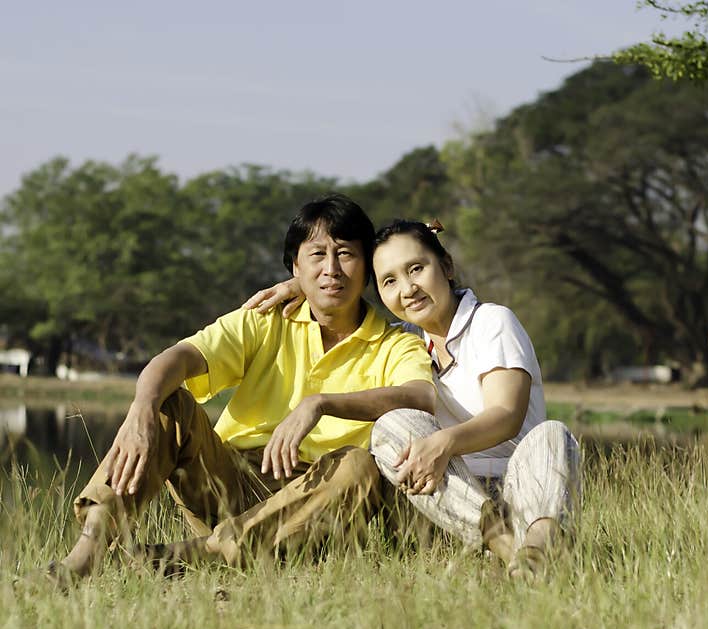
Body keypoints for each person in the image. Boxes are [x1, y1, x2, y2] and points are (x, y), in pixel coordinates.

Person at [49, 194, 434, 585]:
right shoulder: (264, 320)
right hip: (230, 480)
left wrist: (320, 404)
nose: (331, 269)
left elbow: (422, 395)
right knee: (167, 403)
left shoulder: (395, 344)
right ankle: (85, 555)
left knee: (358, 465)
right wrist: (141, 410)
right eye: (317, 255)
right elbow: (179, 357)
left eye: (346, 254)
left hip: (314, 503)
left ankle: (207, 554)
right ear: (295, 267)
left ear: (367, 266)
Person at [245, 220, 581, 579]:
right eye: (389, 281)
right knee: (391, 426)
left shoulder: (491, 321)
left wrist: (444, 443)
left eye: (417, 269)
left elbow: (507, 414)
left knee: (552, 435)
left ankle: (538, 545)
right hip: (449, 503)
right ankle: (511, 549)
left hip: (519, 488)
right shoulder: (402, 341)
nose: (408, 289)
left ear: (447, 266)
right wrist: (303, 284)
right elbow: (347, 304)